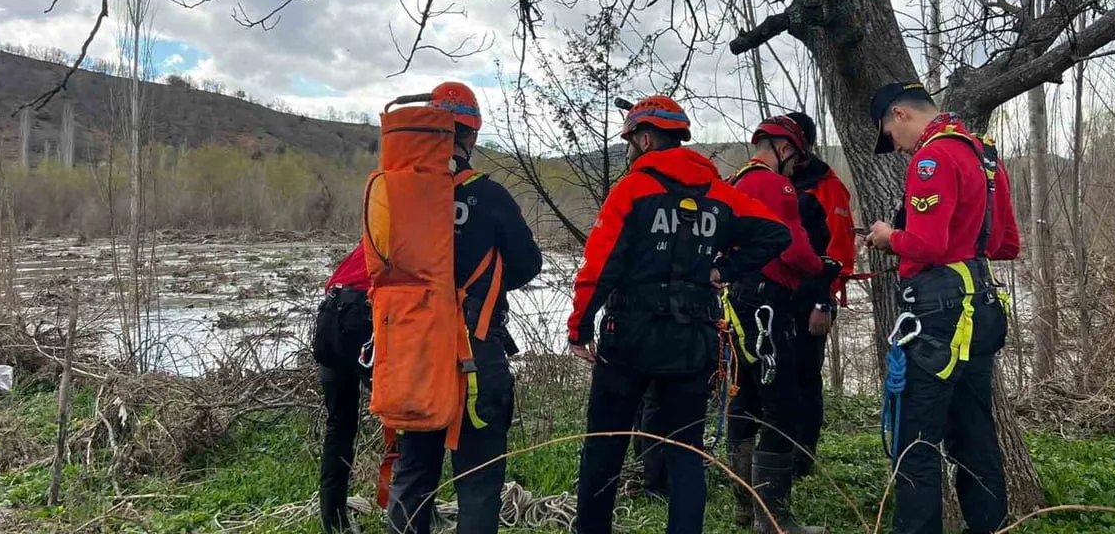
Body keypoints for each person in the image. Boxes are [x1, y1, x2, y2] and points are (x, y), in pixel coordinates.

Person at [568, 95, 792, 534]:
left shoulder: (632, 190)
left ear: (646, 138)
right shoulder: (721, 195)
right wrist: (722, 269)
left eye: (631, 141)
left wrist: (579, 327)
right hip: (693, 338)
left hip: (628, 335)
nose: (629, 151)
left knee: (605, 448)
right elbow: (776, 233)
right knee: (686, 450)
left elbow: (600, 265)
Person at [386, 82, 543, 534]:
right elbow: (529, 264)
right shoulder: (489, 196)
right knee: (478, 477)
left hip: (413, 354)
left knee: (414, 472)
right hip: (477, 353)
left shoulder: (401, 196)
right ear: (471, 136)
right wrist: (485, 292)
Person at [863, 83, 1020, 534]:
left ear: (900, 114)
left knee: (915, 440)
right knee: (974, 434)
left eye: (890, 133)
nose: (894, 144)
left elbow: (928, 245)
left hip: (938, 315)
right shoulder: (983, 155)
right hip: (981, 306)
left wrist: (889, 237)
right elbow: (1006, 244)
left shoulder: (931, 158)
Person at [724, 115, 836, 534]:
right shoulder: (775, 185)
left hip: (737, 302)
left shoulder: (734, 182)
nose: (794, 170)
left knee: (746, 397)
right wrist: (821, 269)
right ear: (786, 149)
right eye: (795, 160)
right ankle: (773, 521)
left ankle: (746, 507)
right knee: (782, 405)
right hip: (765, 304)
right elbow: (794, 245)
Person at [783, 111, 855, 480]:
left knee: (805, 379)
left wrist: (824, 302)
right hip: (770, 300)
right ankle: (773, 452)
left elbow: (841, 251)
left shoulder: (828, 187)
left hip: (811, 299)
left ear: (804, 146)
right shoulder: (766, 180)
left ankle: (802, 457)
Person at [315, 242, 374, 534]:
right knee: (408, 420)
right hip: (363, 318)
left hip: (329, 316)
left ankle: (334, 522)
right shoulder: (412, 232)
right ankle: (413, 512)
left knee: (339, 425)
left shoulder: (372, 234)